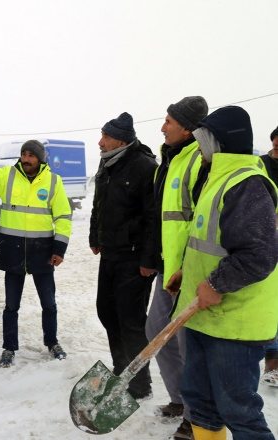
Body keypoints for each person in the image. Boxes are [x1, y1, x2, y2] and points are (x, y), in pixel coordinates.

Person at [171, 106, 277, 440]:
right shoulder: (216, 180)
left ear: (219, 142)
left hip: (235, 324)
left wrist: (216, 283)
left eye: (203, 140)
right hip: (207, 317)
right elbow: (209, 243)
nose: (198, 148)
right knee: (201, 404)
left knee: (238, 411)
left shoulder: (246, 184)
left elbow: (259, 254)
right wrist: (186, 274)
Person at [0, 139, 72, 368]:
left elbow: (62, 217)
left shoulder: (53, 182)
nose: (26, 159)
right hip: (14, 253)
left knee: (49, 304)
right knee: (11, 306)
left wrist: (59, 249)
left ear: (40, 159)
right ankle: (9, 347)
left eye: (31, 155)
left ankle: (52, 342)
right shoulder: (8, 176)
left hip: (43, 253)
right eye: (23, 154)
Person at [146, 96, 208, 439]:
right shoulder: (168, 161)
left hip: (190, 270)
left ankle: (197, 416)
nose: (162, 126)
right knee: (156, 331)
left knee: (189, 344)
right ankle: (181, 399)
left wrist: (189, 268)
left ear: (186, 127)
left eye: (168, 120)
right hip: (167, 270)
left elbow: (202, 220)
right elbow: (163, 220)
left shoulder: (198, 160)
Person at [89, 112, 158, 400]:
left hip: (134, 257)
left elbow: (155, 217)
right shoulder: (108, 164)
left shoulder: (144, 166)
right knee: (107, 311)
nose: (100, 142)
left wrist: (149, 260)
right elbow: (99, 204)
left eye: (105, 136)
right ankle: (122, 368)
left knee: (131, 320)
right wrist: (95, 235)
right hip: (111, 253)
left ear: (120, 139)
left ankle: (140, 382)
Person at [260, 126, 278, 388]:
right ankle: (271, 362)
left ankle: (273, 365)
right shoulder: (260, 165)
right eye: (275, 139)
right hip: (264, 241)